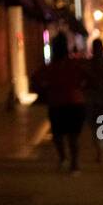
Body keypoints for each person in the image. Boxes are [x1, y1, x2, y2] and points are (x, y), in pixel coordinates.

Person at [30, 33, 89, 174]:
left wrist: (45, 89)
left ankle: (64, 159)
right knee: (72, 136)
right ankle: (74, 163)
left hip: (57, 103)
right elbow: (87, 78)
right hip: (75, 102)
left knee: (58, 134)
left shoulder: (51, 67)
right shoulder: (74, 65)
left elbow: (35, 80)